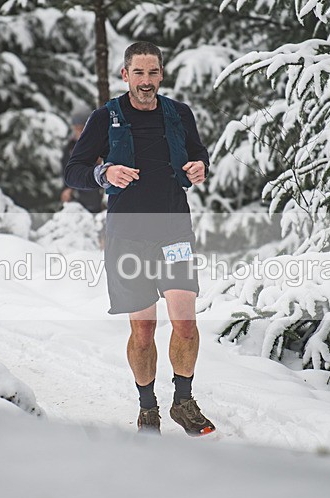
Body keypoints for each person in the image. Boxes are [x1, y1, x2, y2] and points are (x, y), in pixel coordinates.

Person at [65, 42, 215, 436]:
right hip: (128, 235)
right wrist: (104, 174)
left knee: (185, 322)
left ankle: (183, 402)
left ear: (161, 74)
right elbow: (74, 170)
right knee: (144, 330)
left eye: (153, 73)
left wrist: (200, 167)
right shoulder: (105, 118)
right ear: (125, 74)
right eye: (139, 73)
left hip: (174, 230)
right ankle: (148, 407)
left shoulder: (179, 114)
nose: (146, 82)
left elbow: (199, 155)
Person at [61, 107, 104, 213]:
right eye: (76, 128)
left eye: (81, 128)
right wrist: (67, 189)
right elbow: (66, 170)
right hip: (79, 198)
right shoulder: (71, 147)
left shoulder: (100, 142)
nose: (79, 132)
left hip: (98, 198)